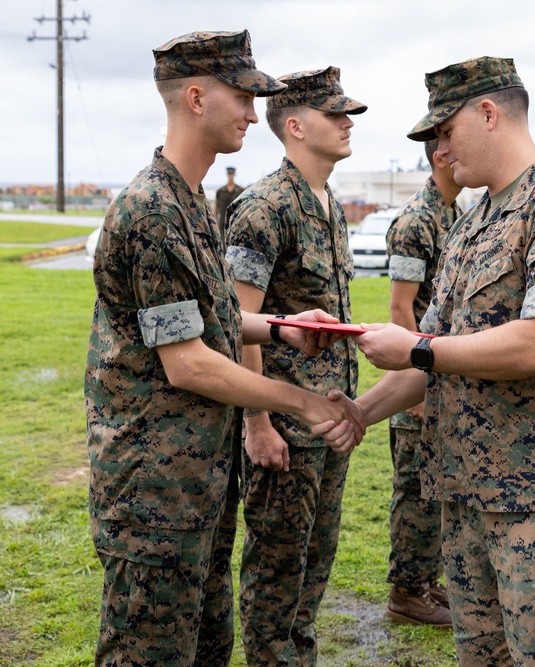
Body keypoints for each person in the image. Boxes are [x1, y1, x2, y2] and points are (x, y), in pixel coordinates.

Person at [85, 32, 363, 667]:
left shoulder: (188, 201)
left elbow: (204, 321)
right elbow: (186, 362)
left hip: (199, 482)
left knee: (206, 647)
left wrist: (279, 328)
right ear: (193, 98)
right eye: (241, 96)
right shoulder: (152, 210)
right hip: (154, 488)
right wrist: (298, 401)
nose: (250, 111)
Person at [352, 56, 535, 666]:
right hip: (468, 496)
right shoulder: (473, 224)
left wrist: (419, 348)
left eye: (445, 132)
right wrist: (357, 414)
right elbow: (437, 359)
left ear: (488, 113)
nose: (441, 152)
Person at [224, 65, 367, 666]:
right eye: (334, 113)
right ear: (295, 126)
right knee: (277, 567)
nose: (346, 122)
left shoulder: (329, 204)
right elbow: (238, 323)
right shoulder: (264, 207)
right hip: (285, 421)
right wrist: (258, 423)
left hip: (330, 416)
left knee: (316, 561)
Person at [382, 138, 463, 627]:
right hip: (421, 369)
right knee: (414, 485)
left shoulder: (455, 211)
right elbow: (400, 306)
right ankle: (407, 591)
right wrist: (416, 379)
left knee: (434, 485)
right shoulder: (417, 220)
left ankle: (427, 581)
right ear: (440, 156)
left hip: (439, 365)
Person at [215, 165, 244, 235]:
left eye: (232, 174)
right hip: (223, 222)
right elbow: (216, 208)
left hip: (236, 222)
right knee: (222, 243)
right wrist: (215, 222)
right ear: (227, 175)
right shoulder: (220, 191)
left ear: (234, 175)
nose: (230, 176)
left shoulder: (240, 191)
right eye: (229, 174)